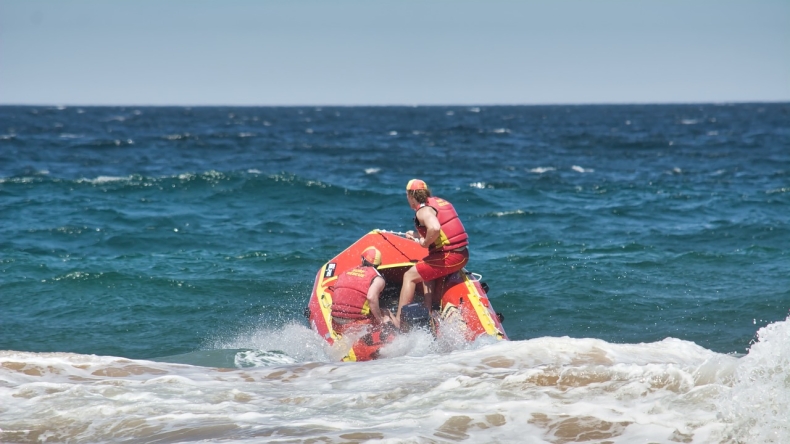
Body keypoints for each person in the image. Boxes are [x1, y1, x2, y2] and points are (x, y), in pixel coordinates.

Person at [395, 179, 469, 327]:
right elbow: (442, 230)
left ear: (411, 196)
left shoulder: (423, 211)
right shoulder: (438, 202)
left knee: (409, 276)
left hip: (450, 257)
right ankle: (428, 310)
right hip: (462, 254)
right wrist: (416, 235)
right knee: (425, 270)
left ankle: (398, 321)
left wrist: (425, 242)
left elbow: (434, 228)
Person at [330, 246, 390, 332]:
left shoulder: (345, 272)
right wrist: (381, 320)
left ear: (362, 259)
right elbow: (371, 297)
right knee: (386, 312)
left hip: (336, 323)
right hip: (357, 325)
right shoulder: (378, 279)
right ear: (379, 264)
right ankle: (400, 333)